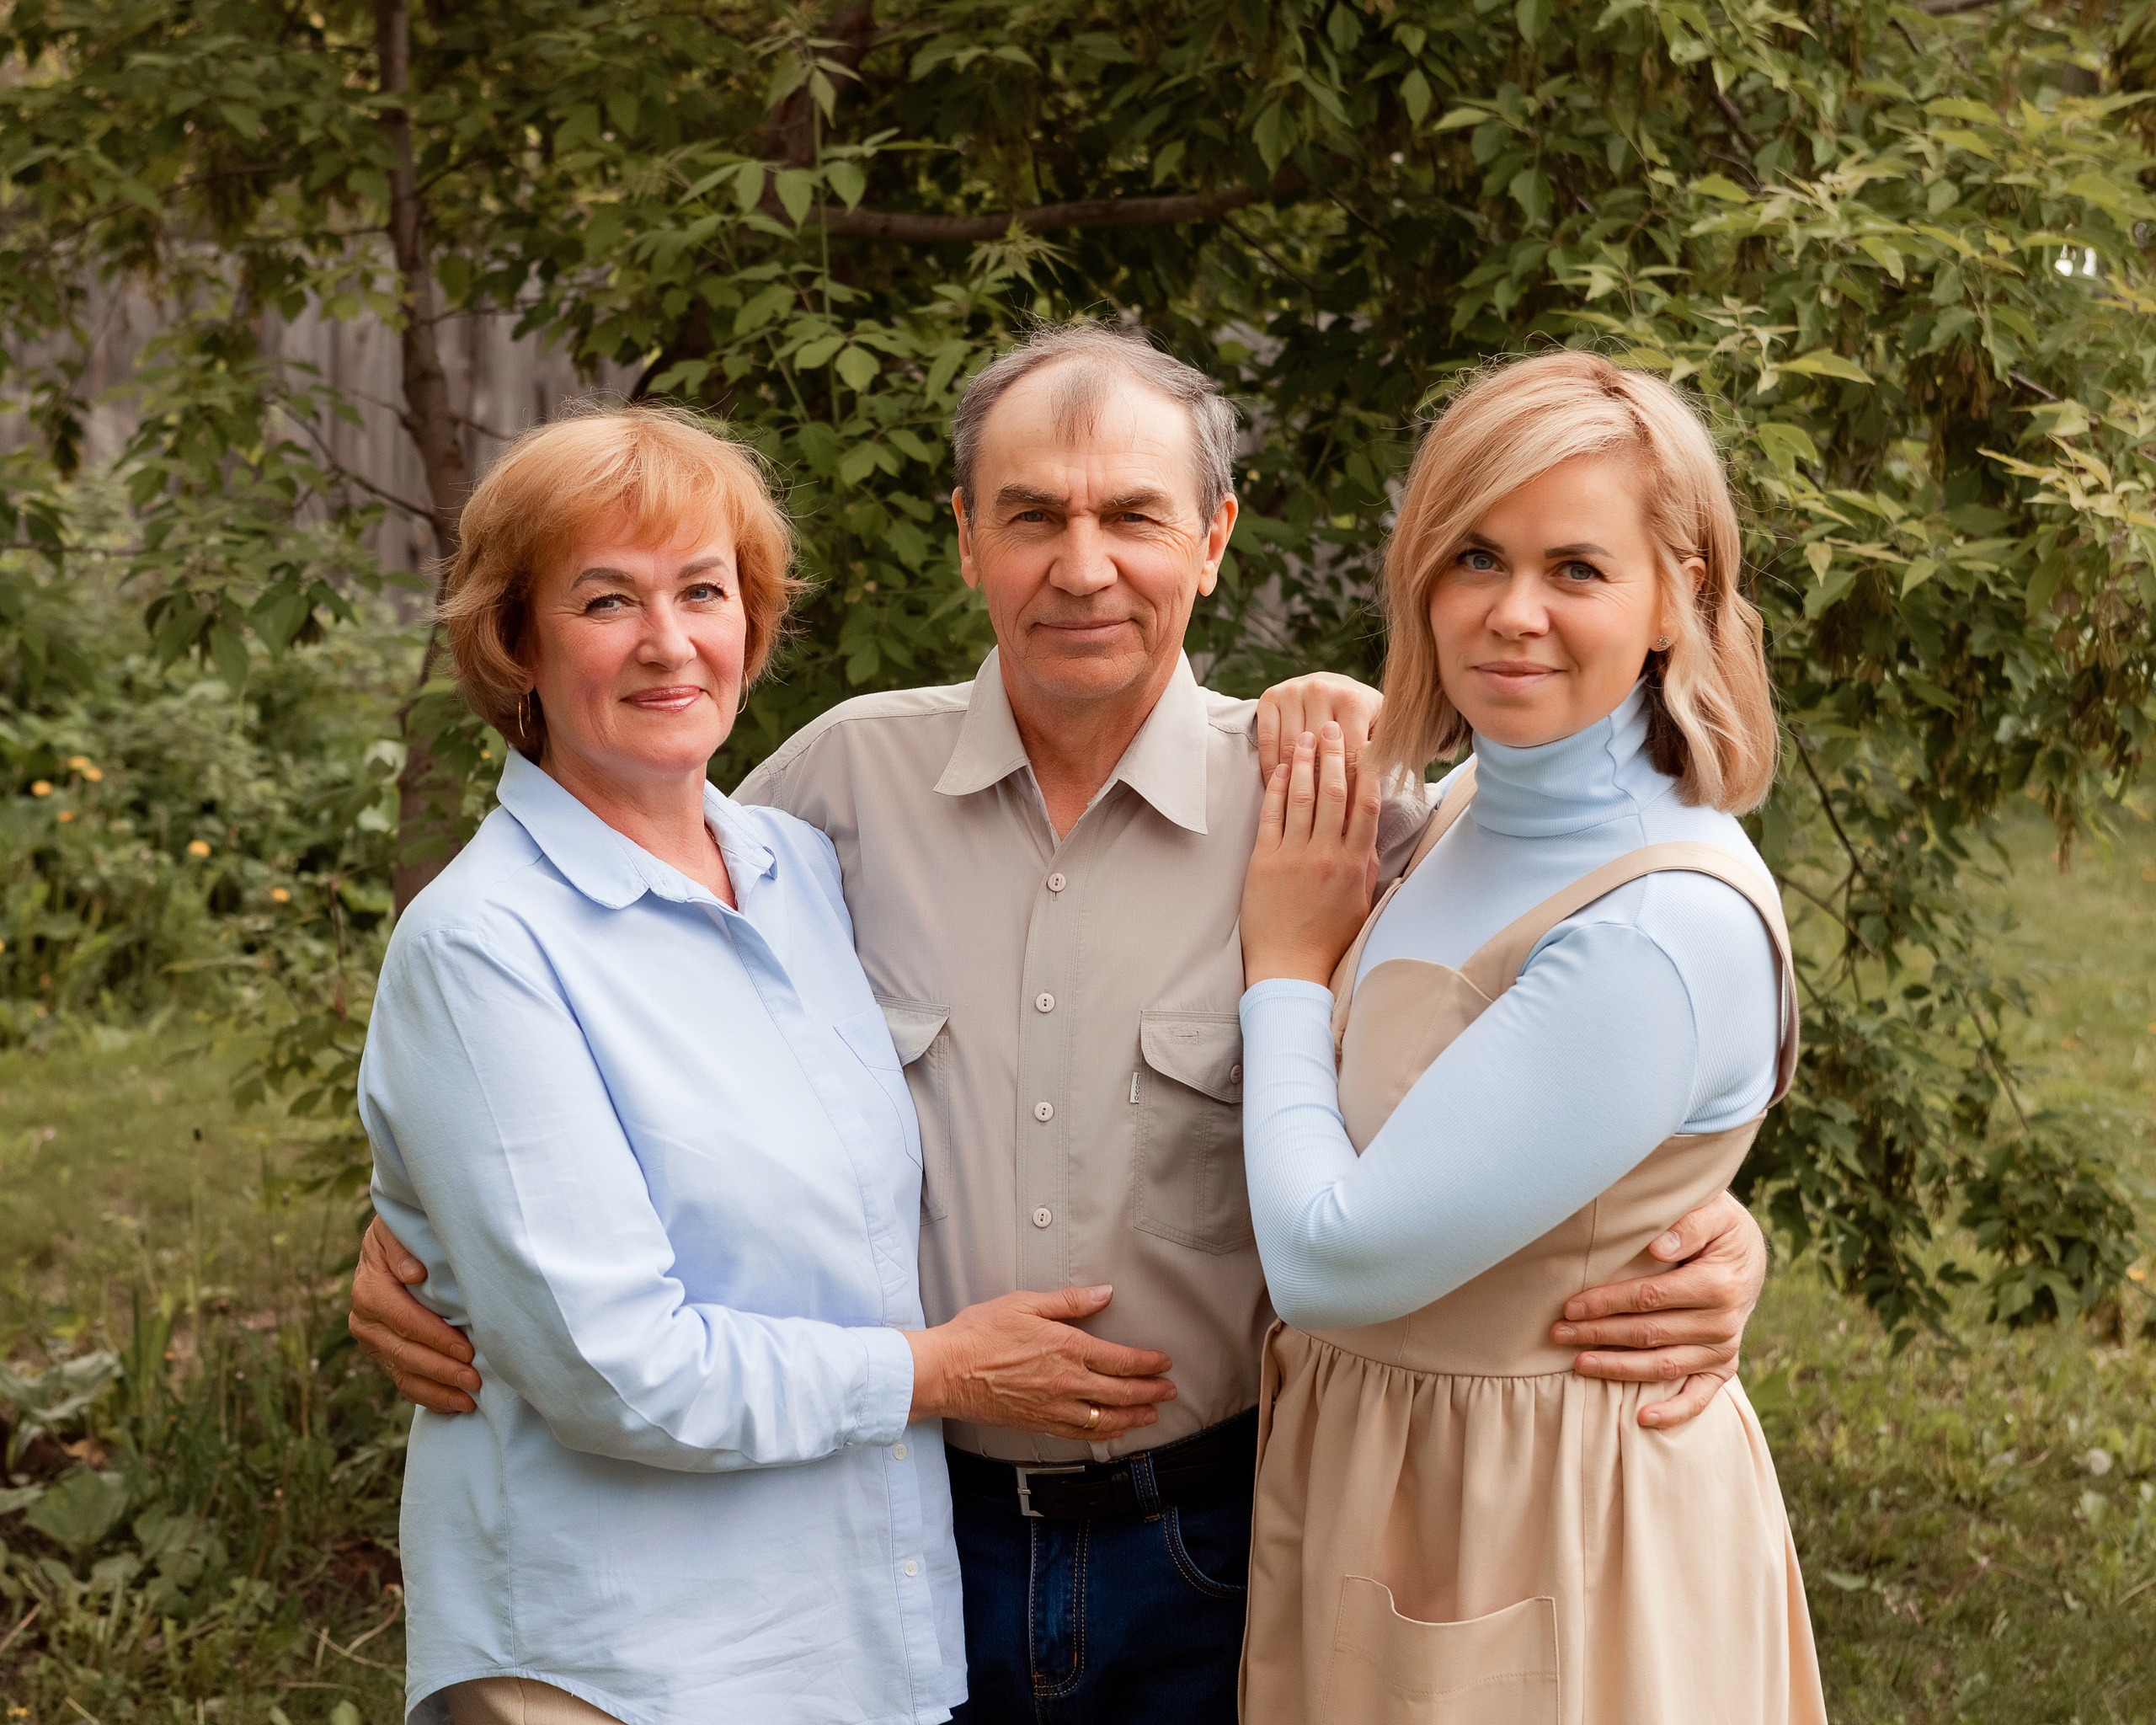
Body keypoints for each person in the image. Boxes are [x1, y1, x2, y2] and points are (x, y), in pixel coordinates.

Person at [350, 325, 1780, 1724]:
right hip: (898, 1528)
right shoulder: (823, 803)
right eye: (1032, 515)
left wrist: (1709, 1228)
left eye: (1134, 517)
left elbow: (1543, 1049)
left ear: (1215, 539)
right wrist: (414, 1235)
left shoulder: (1336, 808)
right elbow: (610, 999)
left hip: (1218, 1537)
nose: (1081, 566)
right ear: (967, 536)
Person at [359, 403, 1183, 1725]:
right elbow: (615, 1365)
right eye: (606, 601)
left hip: (835, 1636)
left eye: (704, 591)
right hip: (613, 1658)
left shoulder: (793, 864)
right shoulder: (483, 947)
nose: (669, 642)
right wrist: (939, 1371)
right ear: (513, 640)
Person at [1235, 349, 1828, 1723]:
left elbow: (1331, 1259)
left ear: (1679, 595)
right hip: (1393, 1492)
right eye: (1474, 558)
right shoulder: (1457, 811)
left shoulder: (1661, 930)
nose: (1513, 614)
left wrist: (1285, 966)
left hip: (1550, 1521)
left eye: (1577, 569)